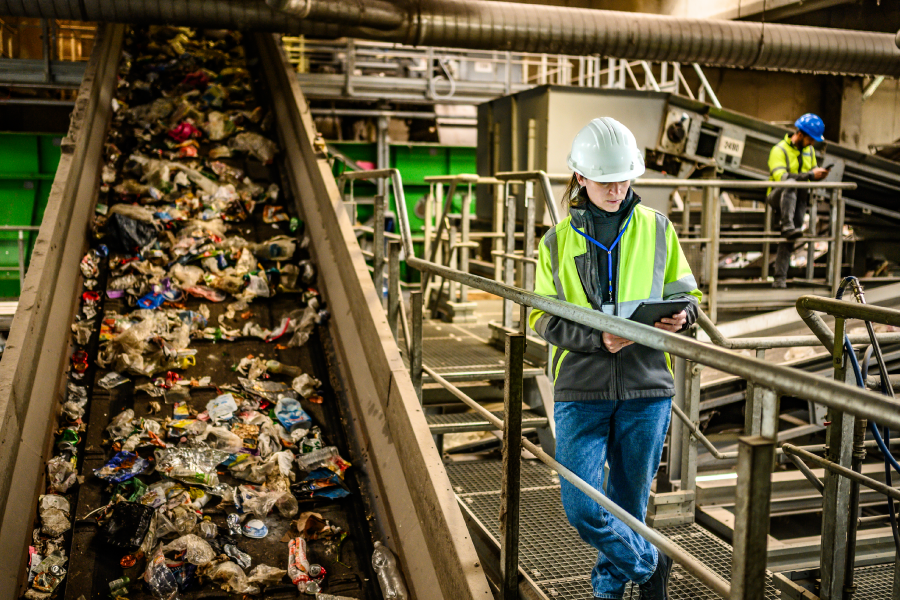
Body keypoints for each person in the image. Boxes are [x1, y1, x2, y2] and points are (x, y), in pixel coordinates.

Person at [529, 117, 701, 600]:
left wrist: (682, 316)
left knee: (629, 506)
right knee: (583, 508)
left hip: (647, 388)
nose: (616, 188)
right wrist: (597, 340)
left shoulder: (658, 229)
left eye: (624, 178)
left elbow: (687, 294)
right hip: (581, 389)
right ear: (581, 177)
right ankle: (650, 566)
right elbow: (541, 320)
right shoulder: (556, 241)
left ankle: (607, 591)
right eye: (605, 180)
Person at [767, 113, 831, 288]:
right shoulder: (779, 150)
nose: (812, 144)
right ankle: (787, 225)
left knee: (790, 237)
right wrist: (810, 174)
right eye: (810, 139)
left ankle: (779, 279)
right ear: (800, 134)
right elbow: (782, 177)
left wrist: (819, 174)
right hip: (777, 196)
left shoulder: (809, 151)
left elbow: (810, 172)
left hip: (799, 197)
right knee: (790, 183)